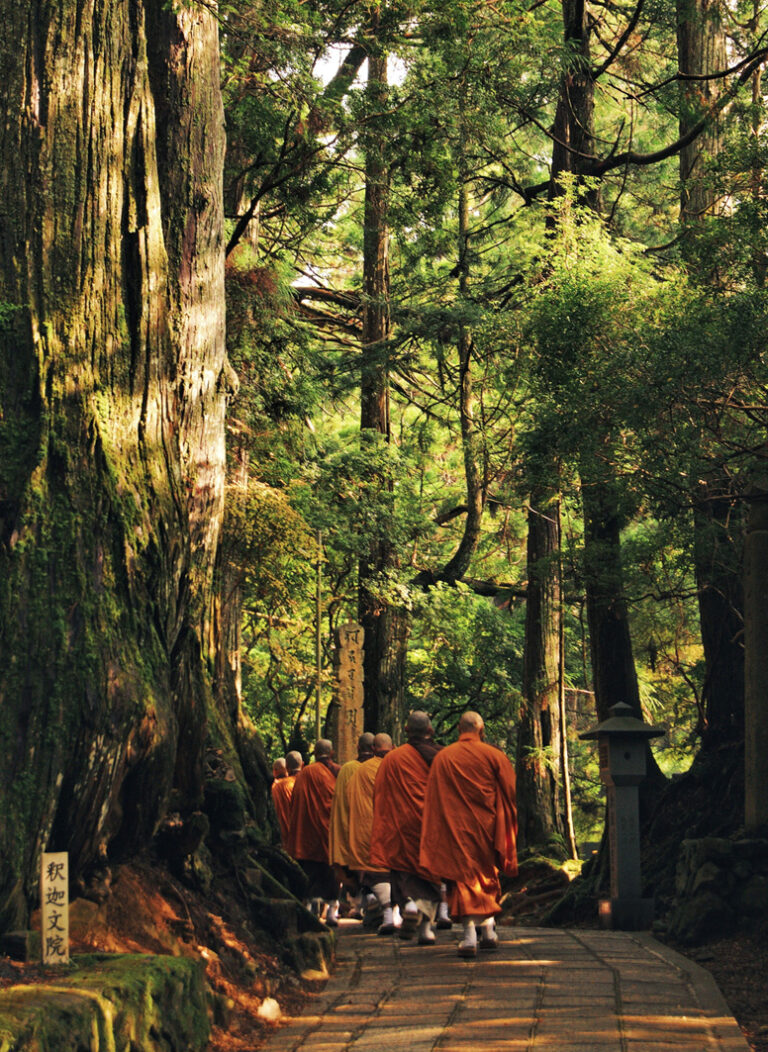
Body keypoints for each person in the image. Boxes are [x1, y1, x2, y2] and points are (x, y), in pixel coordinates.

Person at [419, 711, 517, 958]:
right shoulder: (494, 755)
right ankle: (487, 934)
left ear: (459, 729)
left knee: (463, 879)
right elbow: (511, 791)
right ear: (481, 730)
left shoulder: (444, 757)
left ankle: (471, 936)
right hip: (487, 827)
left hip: (456, 828)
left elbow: (433, 799)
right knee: (485, 876)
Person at [369, 711, 447, 945]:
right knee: (432, 879)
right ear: (430, 731)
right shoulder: (443, 757)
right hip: (433, 828)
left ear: (405, 731)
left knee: (405, 877)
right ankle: (426, 930)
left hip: (403, 828)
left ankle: (410, 906)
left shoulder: (393, 759)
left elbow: (380, 797)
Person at [286, 739, 342, 926]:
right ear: (331, 753)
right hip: (330, 831)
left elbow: (296, 803)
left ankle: (313, 907)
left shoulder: (305, 774)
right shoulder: (337, 771)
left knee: (311, 871)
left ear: (315, 754)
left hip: (307, 832)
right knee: (331, 870)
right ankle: (332, 911)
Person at [346, 733, 396, 933]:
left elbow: (350, 799)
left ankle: (382, 910)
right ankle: (393, 914)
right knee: (391, 874)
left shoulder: (359, 771)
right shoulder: (398, 765)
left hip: (366, 829)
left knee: (372, 875)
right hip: (392, 829)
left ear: (374, 749)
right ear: (392, 747)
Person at [329, 732, 375, 911]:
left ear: (357, 747)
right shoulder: (380, 767)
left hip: (351, 830)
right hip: (374, 830)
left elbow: (339, 805)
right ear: (374, 749)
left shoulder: (347, 769)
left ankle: (359, 905)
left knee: (354, 869)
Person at [272, 750, 302, 845]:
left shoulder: (276, 787)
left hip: (284, 838)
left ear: (287, 767)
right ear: (303, 764)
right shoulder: (307, 782)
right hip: (304, 838)